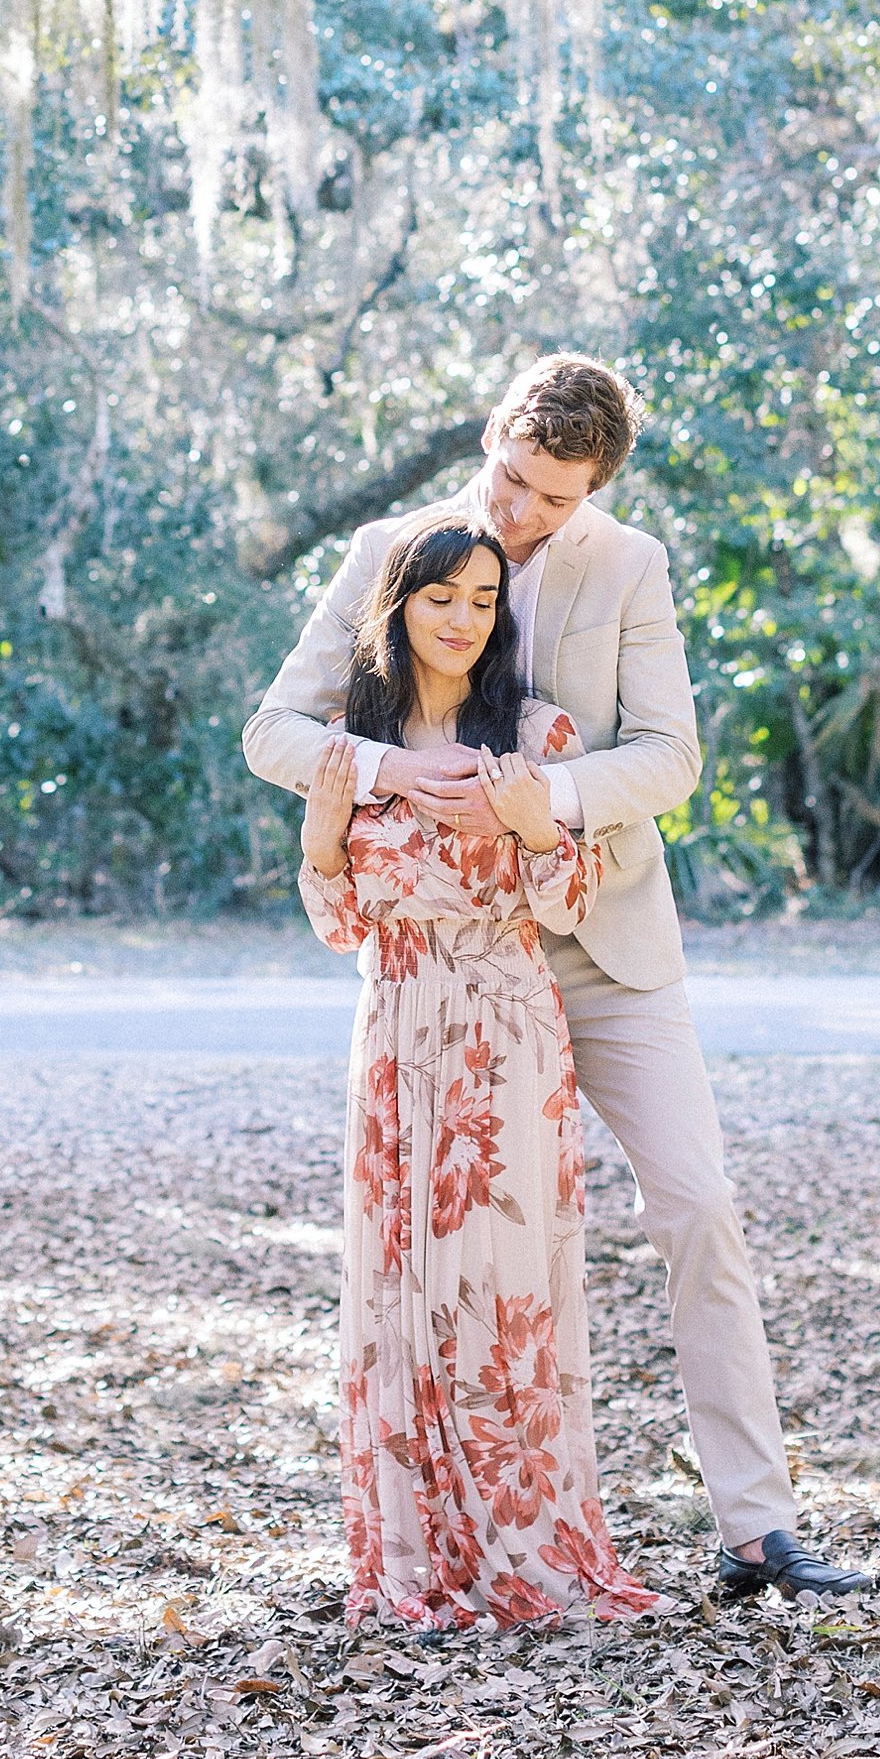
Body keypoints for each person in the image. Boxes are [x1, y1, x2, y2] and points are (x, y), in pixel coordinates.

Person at [249, 351, 867, 1604]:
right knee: (436, 1254)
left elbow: (671, 755)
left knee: (697, 1205)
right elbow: (277, 731)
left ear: (593, 487)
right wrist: (382, 772)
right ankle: (444, 1528)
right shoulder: (393, 545)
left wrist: (548, 803)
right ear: (488, 436)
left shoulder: (627, 565)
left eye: (550, 497)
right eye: (510, 478)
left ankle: (757, 1528)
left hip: (598, 939)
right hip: (449, 973)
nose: (518, 512)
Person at [296, 515, 659, 1630]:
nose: (460, 618)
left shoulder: (535, 732)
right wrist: (320, 831)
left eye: (481, 598)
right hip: (394, 1023)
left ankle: (520, 1541)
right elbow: (338, 919)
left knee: (499, 1293)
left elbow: (567, 905)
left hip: (504, 1027)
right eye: (437, 596)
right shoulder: (356, 740)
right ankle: (411, 1552)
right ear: (397, 604)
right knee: (397, 1292)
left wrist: (532, 820)